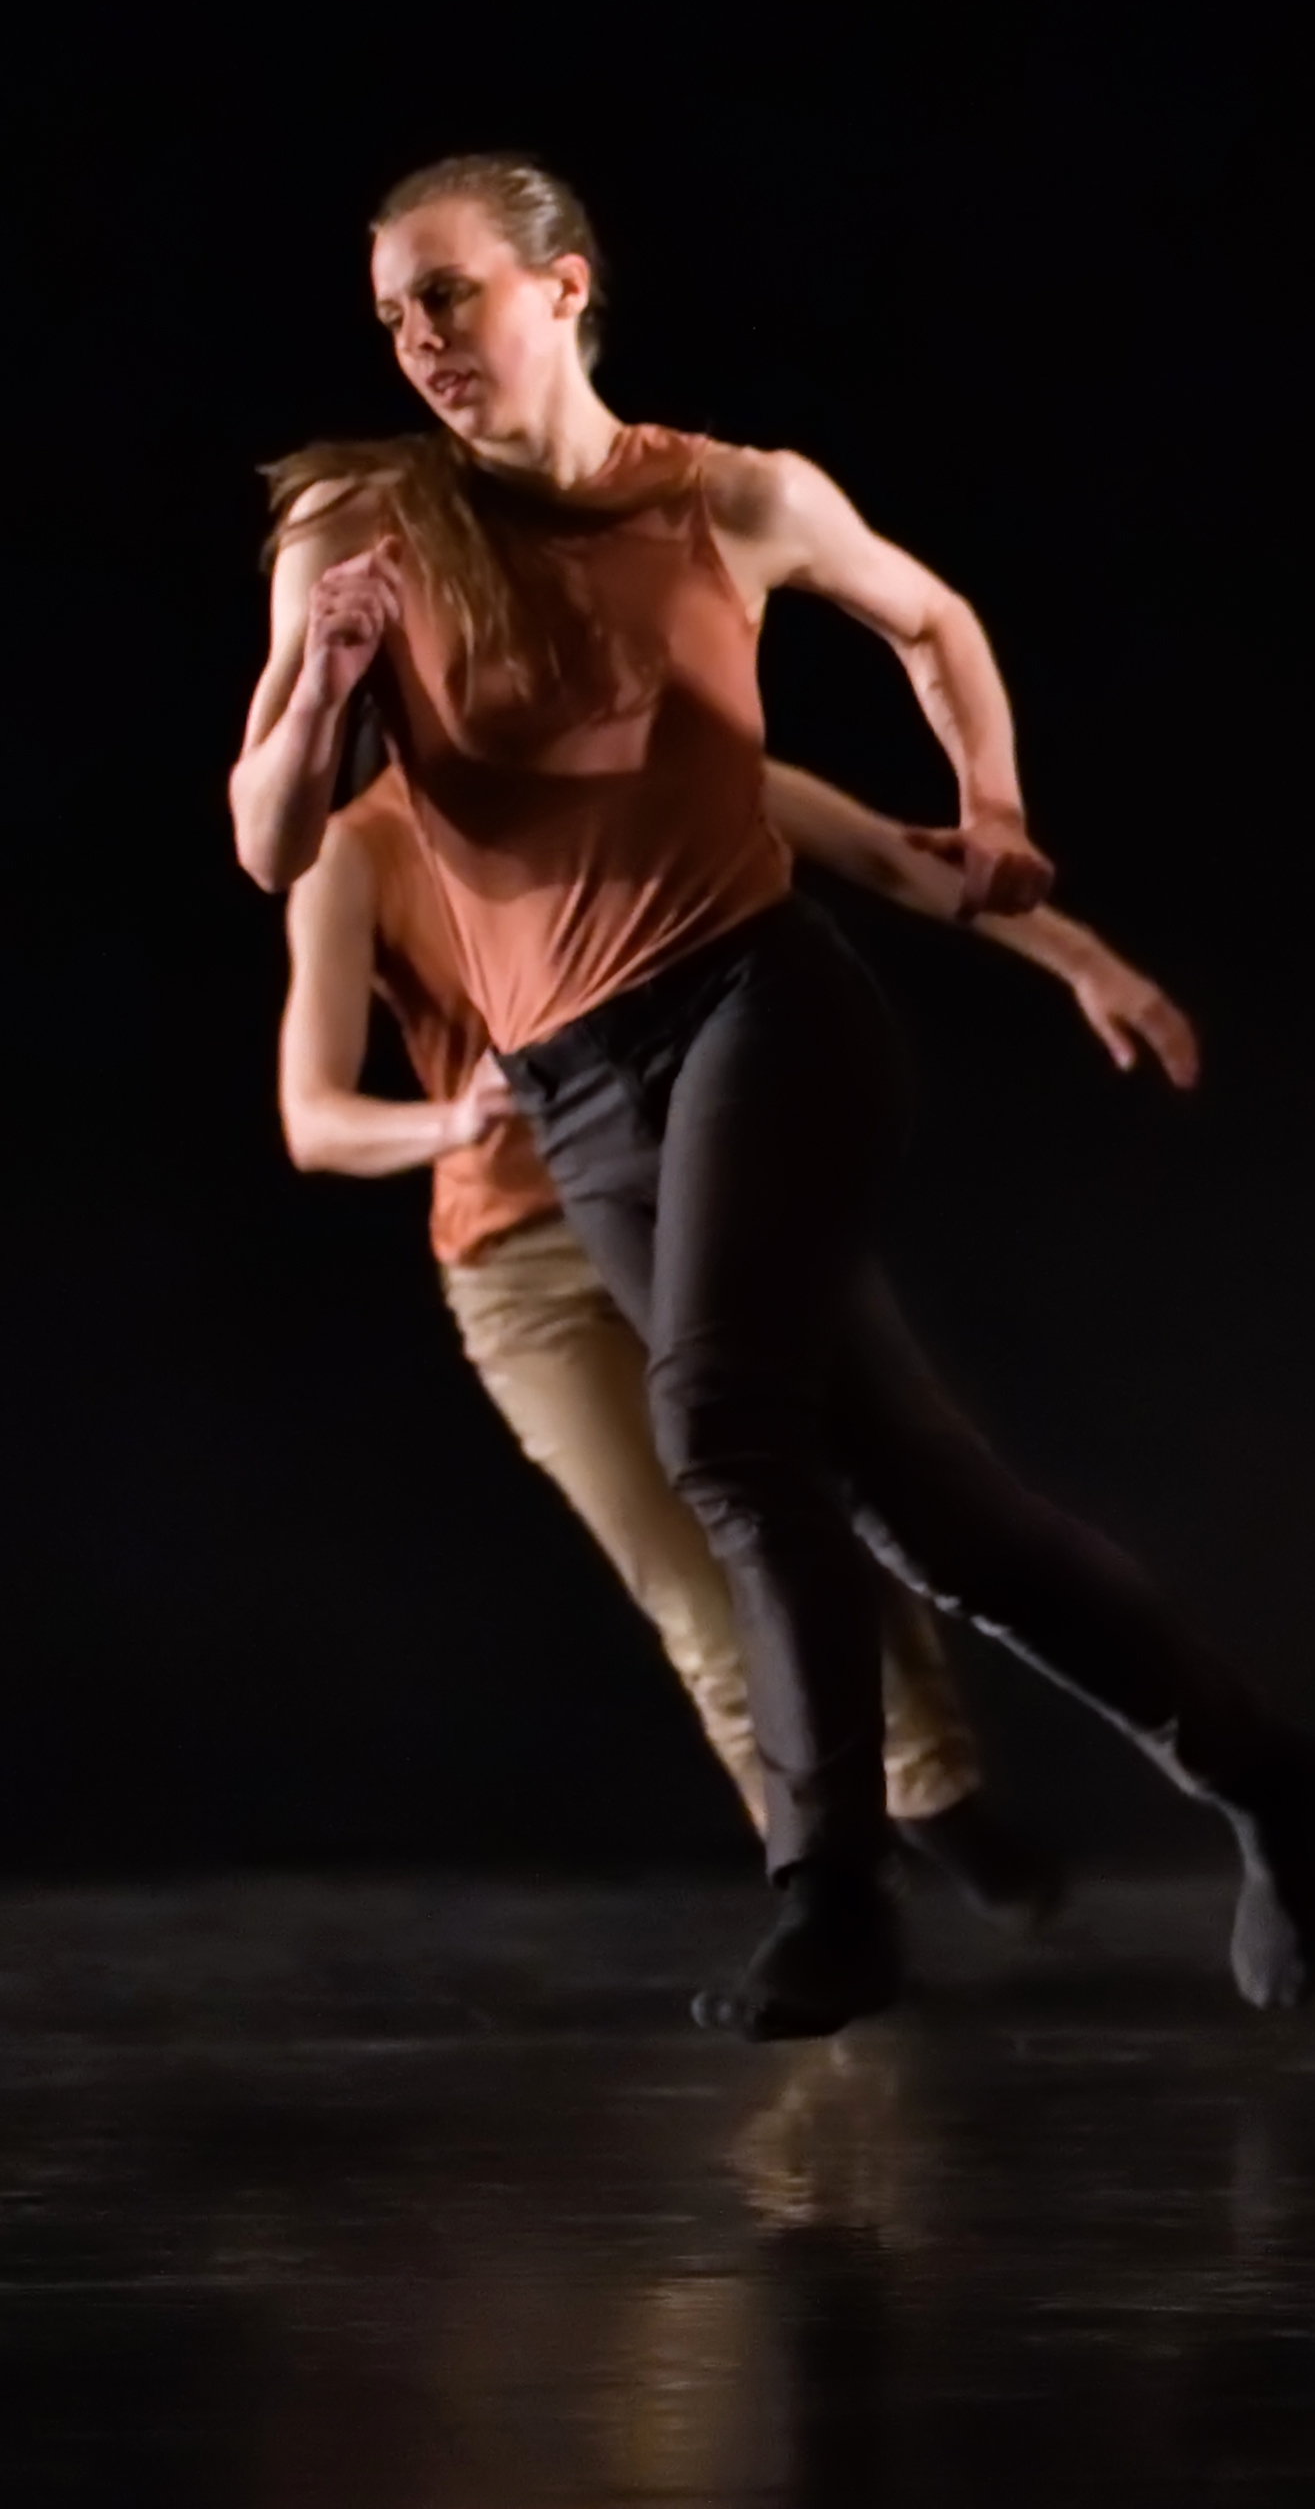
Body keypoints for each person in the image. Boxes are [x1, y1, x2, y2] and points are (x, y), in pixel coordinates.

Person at [230, 154, 1315, 2040]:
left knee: (729, 1436)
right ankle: (1254, 1765)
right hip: (576, 1093)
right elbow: (269, 844)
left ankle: (829, 1893)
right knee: (931, 1521)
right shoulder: (357, 529)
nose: (422, 342)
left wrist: (990, 800)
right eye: (395, 312)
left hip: (761, 1008)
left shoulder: (729, 494)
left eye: (456, 295)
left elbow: (934, 621)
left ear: (565, 290)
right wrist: (328, 677)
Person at [281, 756, 1213, 1915]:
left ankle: (936, 1805)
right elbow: (311, 1119)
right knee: (700, 1590)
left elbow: (886, 851)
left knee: (846, 1518)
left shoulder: (639, 742)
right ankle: (833, 1888)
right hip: (522, 1266)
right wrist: (450, 1121)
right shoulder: (355, 853)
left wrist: (1084, 959)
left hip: (701, 1206)